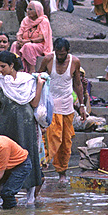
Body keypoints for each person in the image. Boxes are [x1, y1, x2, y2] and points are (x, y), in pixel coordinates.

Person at [0, 51, 45, 205]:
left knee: (29, 156)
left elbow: (33, 104)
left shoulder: (27, 81)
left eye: (3, 66)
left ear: (12, 65)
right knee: (7, 159)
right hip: (7, 127)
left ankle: (30, 195)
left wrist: (39, 85)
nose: (0, 70)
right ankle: (8, 192)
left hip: (26, 126)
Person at [37, 38, 86, 183]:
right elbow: (37, 78)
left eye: (62, 54)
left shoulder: (75, 62)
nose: (59, 57)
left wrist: (82, 106)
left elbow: (77, 84)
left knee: (65, 142)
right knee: (51, 139)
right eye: (57, 54)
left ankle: (62, 173)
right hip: (50, 106)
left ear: (68, 51)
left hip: (67, 106)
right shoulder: (48, 59)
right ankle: (41, 166)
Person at [11, 1, 53, 73]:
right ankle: (16, 68)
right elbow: (19, 33)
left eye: (30, 9)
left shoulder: (44, 21)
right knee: (15, 44)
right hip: (24, 43)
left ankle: (31, 69)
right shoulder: (25, 20)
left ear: (37, 10)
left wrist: (27, 41)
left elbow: (41, 38)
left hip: (39, 45)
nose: (28, 11)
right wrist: (19, 40)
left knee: (28, 46)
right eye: (27, 9)